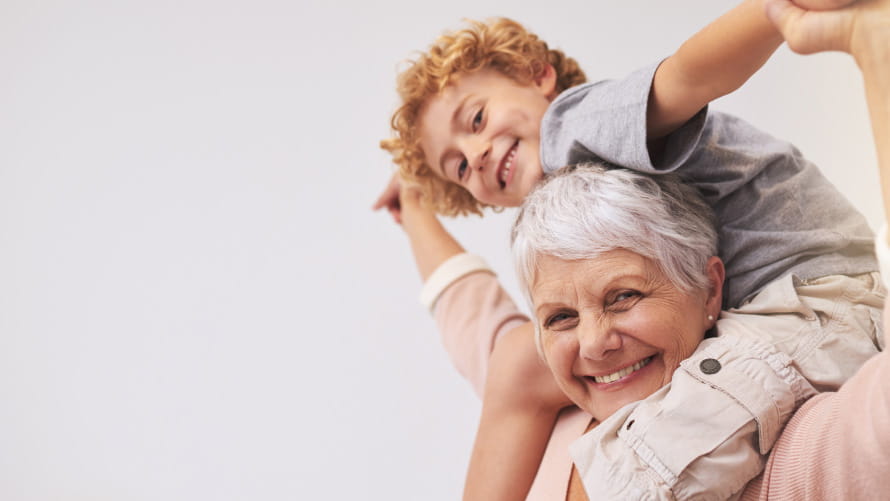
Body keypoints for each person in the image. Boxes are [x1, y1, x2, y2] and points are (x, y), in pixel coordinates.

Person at [376, 1, 884, 499]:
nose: (477, 154)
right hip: (802, 297)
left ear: (538, 76)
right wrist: (415, 207)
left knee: (646, 464)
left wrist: (779, 13)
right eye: (459, 168)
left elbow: (688, 75)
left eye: (477, 118)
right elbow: (472, 319)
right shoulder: (576, 220)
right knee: (519, 364)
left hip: (811, 297)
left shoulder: (576, 125)